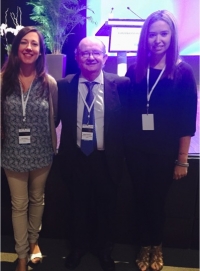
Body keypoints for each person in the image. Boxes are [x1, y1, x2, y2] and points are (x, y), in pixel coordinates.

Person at [125, 10, 197, 271]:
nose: (158, 40)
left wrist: (182, 160)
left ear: (172, 36)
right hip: (135, 151)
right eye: (152, 34)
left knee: (157, 201)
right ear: (145, 37)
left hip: (164, 153)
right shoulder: (135, 69)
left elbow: (187, 120)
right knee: (141, 200)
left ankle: (156, 245)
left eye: (163, 34)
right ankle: (145, 244)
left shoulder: (183, 72)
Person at [56, 36, 130, 271]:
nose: (91, 57)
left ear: (105, 57)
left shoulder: (121, 84)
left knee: (106, 207)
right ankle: (78, 249)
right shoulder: (65, 85)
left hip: (106, 158)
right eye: (85, 53)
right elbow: (54, 119)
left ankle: (104, 250)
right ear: (77, 57)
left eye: (96, 53)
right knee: (77, 206)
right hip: (76, 157)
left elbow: (129, 122)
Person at [1, 26, 58, 271]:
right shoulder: (3, 81)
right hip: (12, 153)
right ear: (17, 48)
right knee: (19, 205)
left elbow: (54, 118)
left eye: (34, 44)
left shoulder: (49, 83)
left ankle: (34, 242)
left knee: (38, 200)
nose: (29, 48)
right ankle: (22, 255)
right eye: (25, 43)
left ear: (40, 51)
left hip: (42, 153)